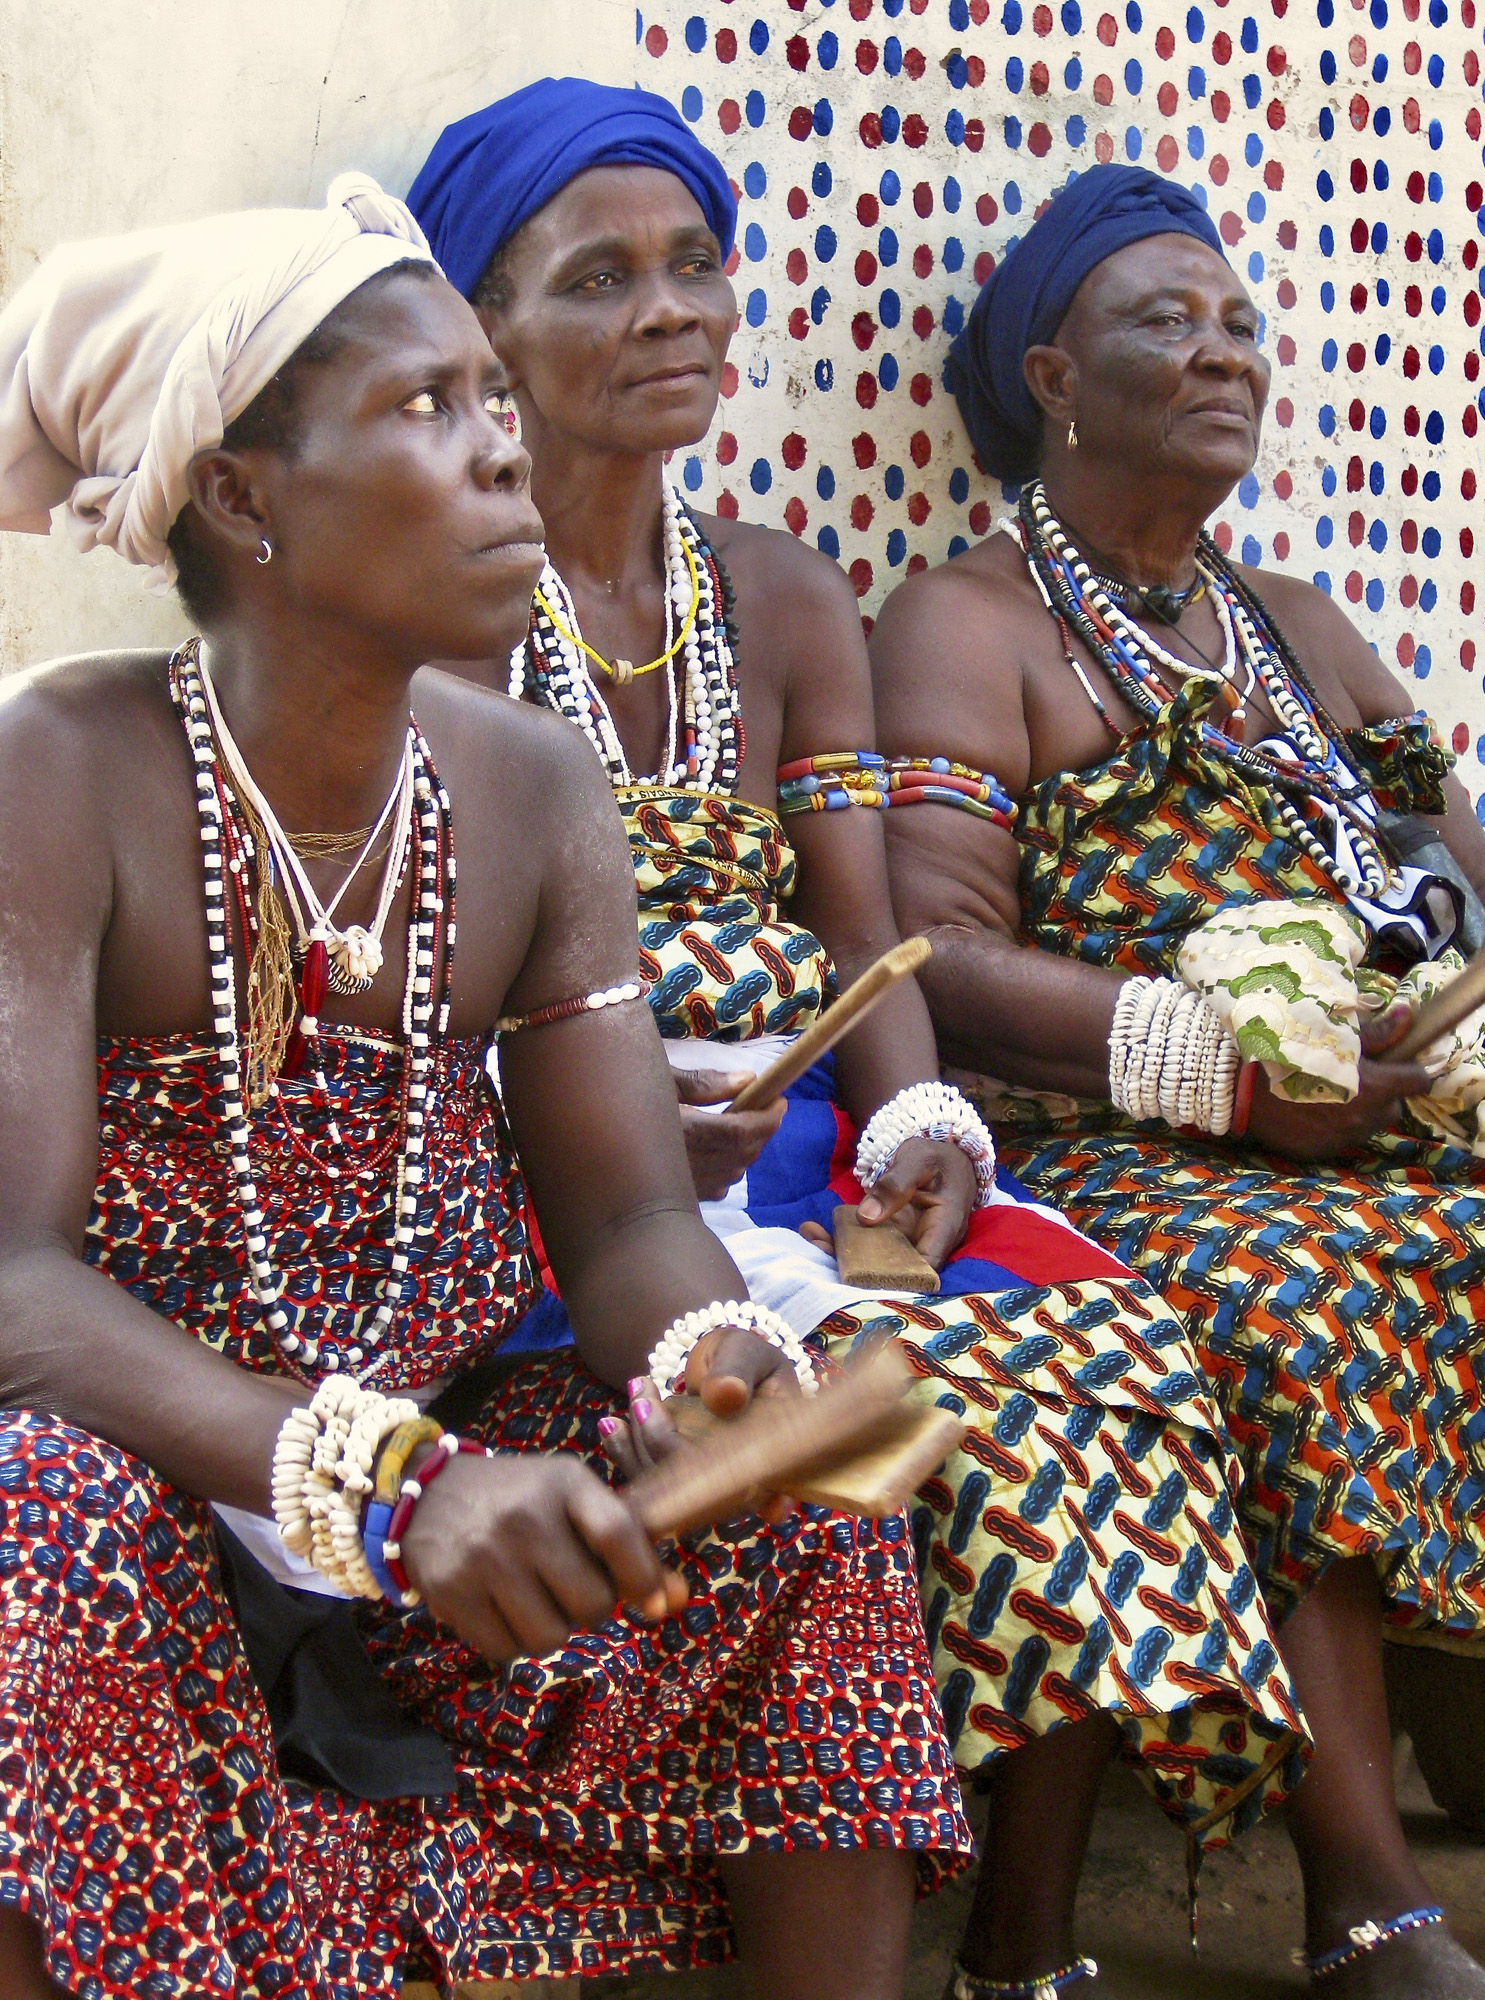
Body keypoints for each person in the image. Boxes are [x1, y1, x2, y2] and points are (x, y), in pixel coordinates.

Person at [0, 177, 974, 2000]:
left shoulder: (530, 790)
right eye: (425, 409)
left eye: (488, 399)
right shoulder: (65, 769)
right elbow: (11, 1287)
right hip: (166, 1489)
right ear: (238, 494)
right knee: (19, 1525)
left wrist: (710, 1369)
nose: (498, 454)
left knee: (815, 1523)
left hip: (452, 1494)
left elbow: (623, 1219)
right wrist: (376, 1481)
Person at [409, 86, 1310, 2000]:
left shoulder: (783, 591)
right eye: (603, 279)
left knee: (1109, 1349)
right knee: (897, 1422)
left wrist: (917, 1116)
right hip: (564, 1169)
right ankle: (803, 1889)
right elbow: (432, 972)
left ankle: (1027, 1932)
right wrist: (626, 1112)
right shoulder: (439, 617)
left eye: (699, 268)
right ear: (482, 335)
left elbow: (868, 929)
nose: (677, 313)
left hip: (810, 1154)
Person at [869, 160, 1485, 1999]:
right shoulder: (970, 624)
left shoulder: (1300, 631)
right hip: (1113, 1141)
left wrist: (1433, 1016)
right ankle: (1367, 1898)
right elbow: (946, 963)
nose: (1224, 354)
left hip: (1364, 1131)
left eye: (1240, 323)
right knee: (1287, 1299)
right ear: (1054, 378)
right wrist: (1220, 1069)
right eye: (1169, 322)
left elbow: (1452, 885)